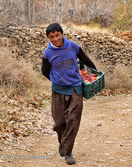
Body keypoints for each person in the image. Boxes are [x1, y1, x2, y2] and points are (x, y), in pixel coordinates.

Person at [41, 23, 96, 165]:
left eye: (57, 35)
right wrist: (56, 80)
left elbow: (85, 59)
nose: (55, 39)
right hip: (58, 90)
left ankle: (68, 151)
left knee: (72, 120)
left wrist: (94, 73)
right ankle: (62, 141)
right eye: (51, 37)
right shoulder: (48, 53)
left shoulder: (72, 46)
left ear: (62, 34)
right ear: (48, 37)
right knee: (60, 122)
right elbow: (45, 71)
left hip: (75, 88)